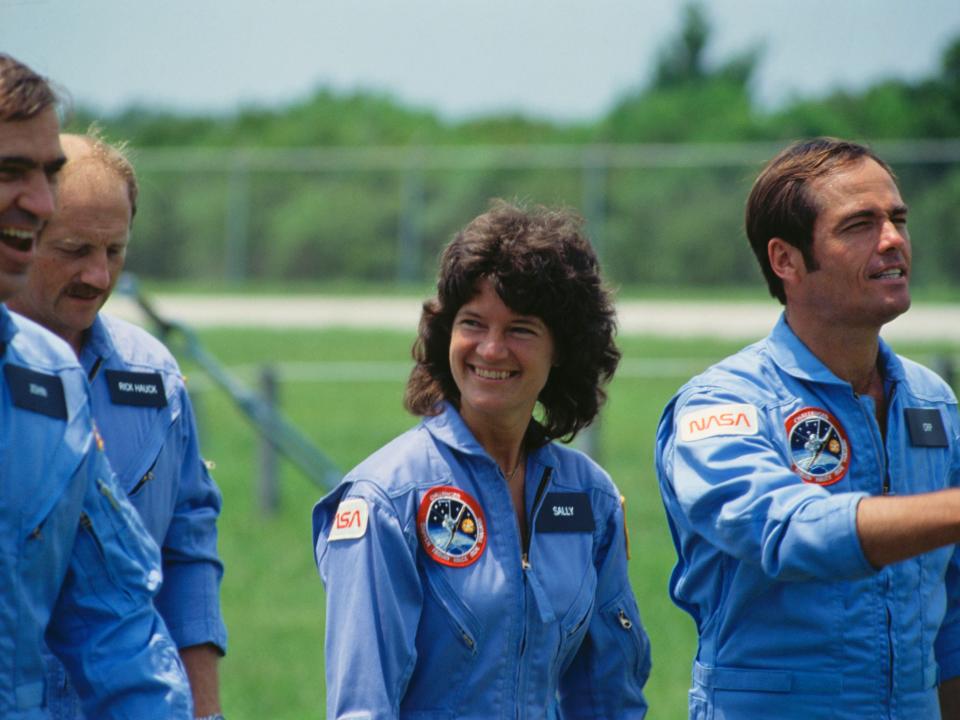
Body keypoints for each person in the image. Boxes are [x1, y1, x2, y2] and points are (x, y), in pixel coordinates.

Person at [655, 137, 960, 718]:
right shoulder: (720, 404)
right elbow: (785, 530)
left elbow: (954, 618)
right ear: (785, 260)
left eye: (898, 219)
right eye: (859, 226)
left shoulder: (931, 401)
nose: (893, 239)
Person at [312, 200, 651, 719]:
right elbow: (362, 706)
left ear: (561, 348)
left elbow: (609, 695)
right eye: (473, 323)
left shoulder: (588, 497)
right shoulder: (386, 500)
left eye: (520, 329)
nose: (490, 350)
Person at [8, 129, 228, 718]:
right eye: (75, 249)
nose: (99, 277)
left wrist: (204, 711)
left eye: (115, 251)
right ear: (21, 235)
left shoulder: (153, 375)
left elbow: (187, 553)